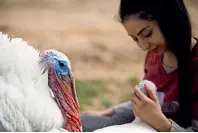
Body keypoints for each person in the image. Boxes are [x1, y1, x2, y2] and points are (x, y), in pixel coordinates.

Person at [81, 0, 198, 132]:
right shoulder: (154, 55)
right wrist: (109, 112)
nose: (143, 46)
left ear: (170, 18)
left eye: (147, 34)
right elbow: (146, 104)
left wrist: (160, 122)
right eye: (135, 39)